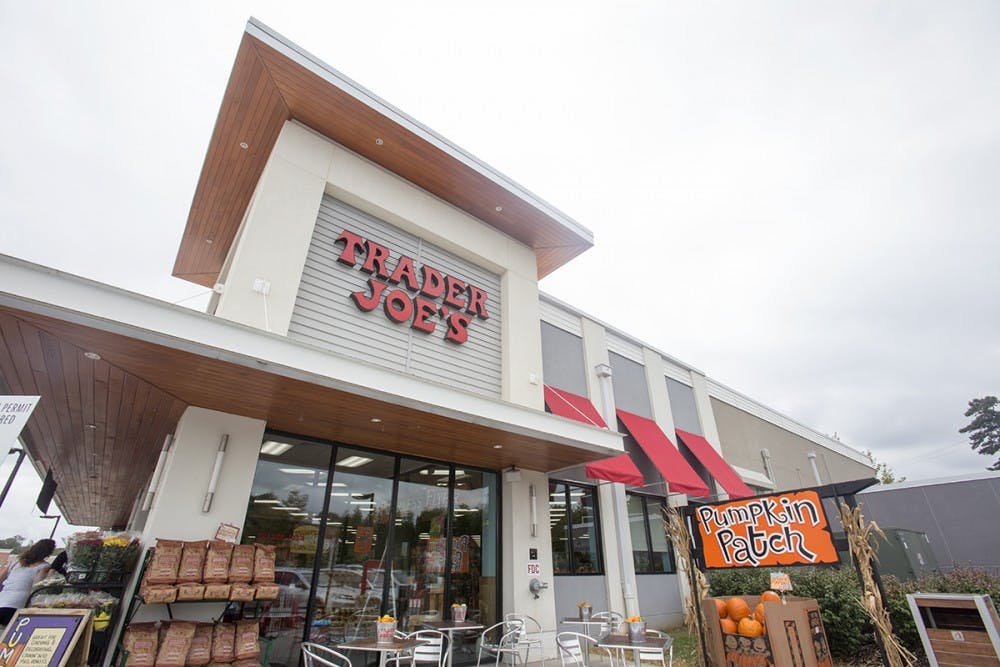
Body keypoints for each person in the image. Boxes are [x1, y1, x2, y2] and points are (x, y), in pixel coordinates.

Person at [0, 539, 56, 625]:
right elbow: (37, 587)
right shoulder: (44, 567)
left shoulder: (16, 562)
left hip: (2, 600)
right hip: (18, 604)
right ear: (48, 553)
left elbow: (1, 578)